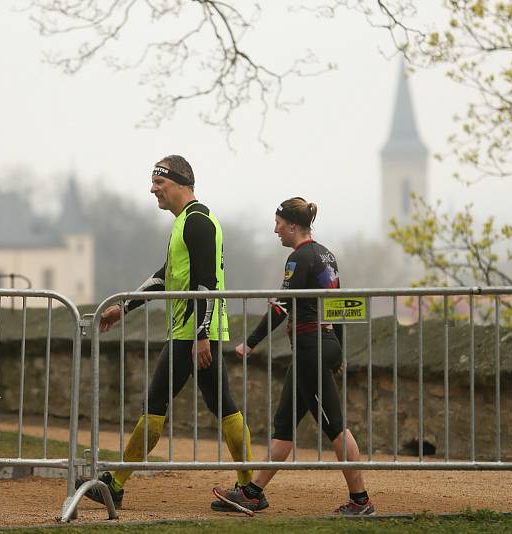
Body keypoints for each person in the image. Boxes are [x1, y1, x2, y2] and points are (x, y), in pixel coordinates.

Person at [78, 155, 254, 509]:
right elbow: (164, 276)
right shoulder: (185, 222)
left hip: (193, 332)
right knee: (224, 408)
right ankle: (250, 489)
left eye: (159, 183)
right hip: (196, 330)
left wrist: (202, 335)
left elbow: (206, 284)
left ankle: (115, 484)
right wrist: (124, 307)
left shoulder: (198, 222)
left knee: (155, 406)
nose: (153, 188)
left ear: (181, 184)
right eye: (153, 182)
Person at [211, 197, 375, 516]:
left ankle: (361, 501)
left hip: (311, 349)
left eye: (279, 224)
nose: (276, 230)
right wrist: (338, 350)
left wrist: (252, 342)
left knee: (336, 427)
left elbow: (281, 306)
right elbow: (336, 303)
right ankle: (252, 493)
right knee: (284, 424)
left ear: (293, 226)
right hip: (322, 346)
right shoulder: (326, 254)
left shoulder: (299, 259)